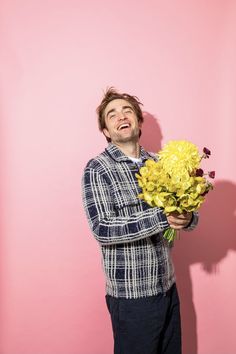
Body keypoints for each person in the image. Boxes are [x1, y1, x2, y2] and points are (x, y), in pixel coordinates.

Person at [82, 87, 198, 354]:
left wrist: (188, 216)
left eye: (127, 110)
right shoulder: (98, 168)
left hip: (168, 289)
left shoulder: (160, 163)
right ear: (107, 131)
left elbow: (188, 216)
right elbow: (102, 228)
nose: (121, 116)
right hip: (132, 298)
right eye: (112, 115)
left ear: (138, 121)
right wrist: (161, 217)